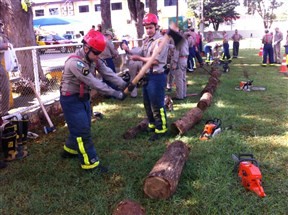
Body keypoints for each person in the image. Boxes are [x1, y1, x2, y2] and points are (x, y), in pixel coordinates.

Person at [59, 29, 128, 172]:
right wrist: (116, 93)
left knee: (82, 125)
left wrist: (124, 84)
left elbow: (108, 73)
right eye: (96, 53)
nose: (97, 57)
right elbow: (94, 82)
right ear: (86, 48)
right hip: (71, 100)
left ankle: (69, 150)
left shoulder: (92, 57)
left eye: (99, 54)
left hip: (83, 97)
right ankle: (90, 164)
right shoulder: (75, 63)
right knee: (83, 131)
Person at [122, 13, 169, 141]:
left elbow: (155, 60)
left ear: (156, 26)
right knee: (147, 103)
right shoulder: (147, 40)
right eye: (146, 28)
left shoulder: (161, 41)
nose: (148, 30)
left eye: (150, 27)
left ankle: (162, 129)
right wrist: (128, 50)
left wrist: (138, 58)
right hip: (147, 76)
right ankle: (152, 125)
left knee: (157, 104)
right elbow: (141, 53)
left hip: (157, 76)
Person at [170, 31, 189, 100]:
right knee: (183, 78)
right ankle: (183, 94)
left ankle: (179, 95)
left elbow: (176, 53)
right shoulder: (185, 40)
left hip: (180, 60)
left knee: (179, 79)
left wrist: (174, 63)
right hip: (185, 59)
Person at [0, 19, 10, 117]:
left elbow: (9, 43)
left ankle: (4, 111)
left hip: (1, 64)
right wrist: (6, 45)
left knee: (5, 88)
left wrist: (4, 35)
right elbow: (6, 46)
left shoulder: (2, 35)